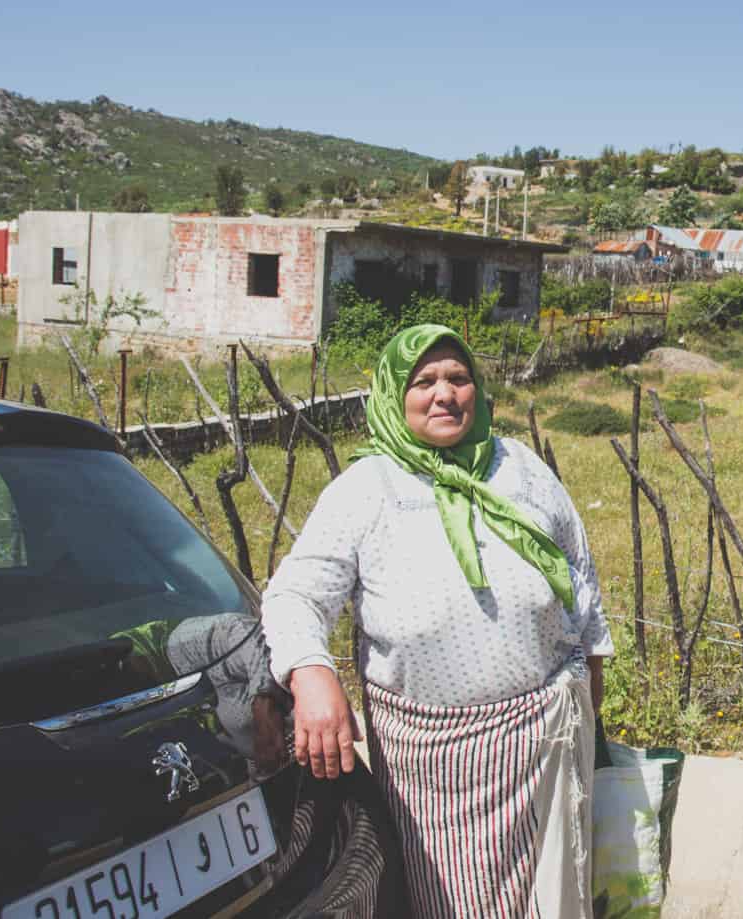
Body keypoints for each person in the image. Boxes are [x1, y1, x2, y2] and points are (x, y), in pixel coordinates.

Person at [261, 324, 614, 919]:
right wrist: (312, 675)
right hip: (434, 774)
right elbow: (295, 594)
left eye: (458, 378)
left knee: (554, 897)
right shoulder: (365, 490)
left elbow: (580, 580)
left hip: (545, 750)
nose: (444, 394)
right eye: (423, 381)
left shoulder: (520, 467)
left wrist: (590, 699)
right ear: (394, 396)